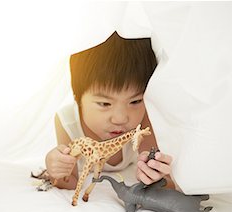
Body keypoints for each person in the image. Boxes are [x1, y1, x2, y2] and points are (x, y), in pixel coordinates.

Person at [45, 32, 175, 191]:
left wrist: (155, 174)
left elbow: (164, 179)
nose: (120, 118)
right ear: (77, 99)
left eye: (134, 101)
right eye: (104, 103)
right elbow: (69, 181)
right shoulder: (67, 121)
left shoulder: (143, 118)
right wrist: (56, 169)